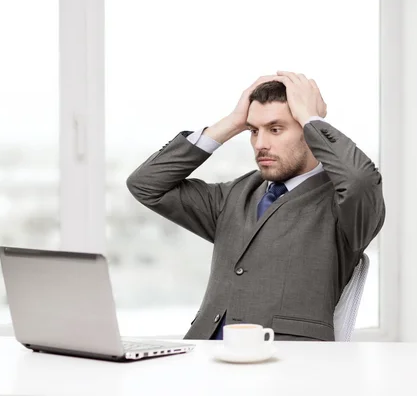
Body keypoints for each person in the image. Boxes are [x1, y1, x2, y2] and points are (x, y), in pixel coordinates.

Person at [126, 71, 385, 341]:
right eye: (253, 131)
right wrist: (230, 123)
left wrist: (312, 119)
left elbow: (360, 180)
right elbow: (146, 184)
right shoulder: (235, 194)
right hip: (205, 360)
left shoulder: (345, 206)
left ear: (309, 135)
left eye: (275, 129)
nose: (260, 144)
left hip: (290, 365)